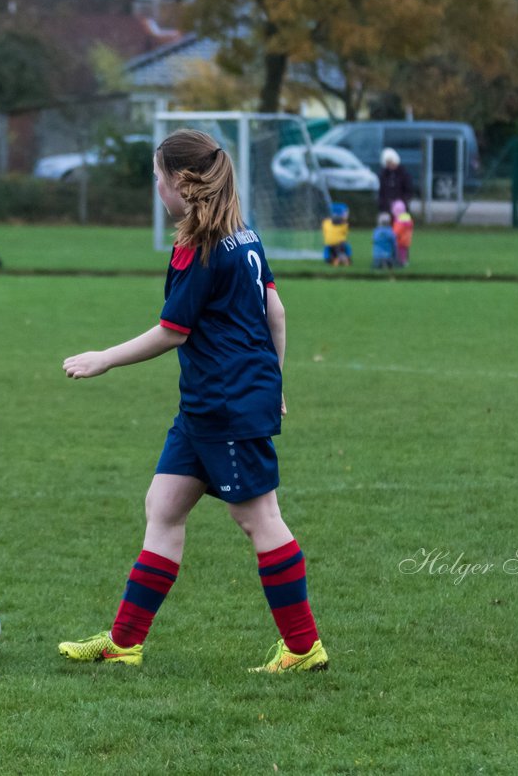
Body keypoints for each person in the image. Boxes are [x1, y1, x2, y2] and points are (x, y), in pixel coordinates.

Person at [58, 128, 328, 673]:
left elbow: (173, 331)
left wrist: (104, 357)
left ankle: (303, 648)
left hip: (224, 404)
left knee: (260, 520)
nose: (156, 191)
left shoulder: (198, 247)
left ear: (182, 182)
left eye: (158, 180)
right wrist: (273, 384)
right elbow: (276, 314)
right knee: (163, 507)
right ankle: (124, 641)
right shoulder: (243, 236)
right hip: (212, 405)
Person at [377, 147, 413, 217]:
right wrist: (384, 203)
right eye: (388, 163)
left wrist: (402, 202)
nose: (390, 165)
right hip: (385, 208)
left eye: (391, 162)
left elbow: (408, 190)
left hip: (401, 207)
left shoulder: (403, 174)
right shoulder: (382, 175)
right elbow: (380, 192)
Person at [321, 202, 352, 266]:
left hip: (328, 243)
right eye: (345, 212)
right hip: (340, 243)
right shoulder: (344, 223)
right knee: (347, 246)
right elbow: (344, 233)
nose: (347, 214)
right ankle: (348, 257)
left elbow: (325, 232)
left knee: (326, 247)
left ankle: (328, 258)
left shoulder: (326, 222)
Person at [392, 200, 414, 267]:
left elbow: (397, 231)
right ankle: (405, 261)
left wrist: (393, 234)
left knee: (400, 252)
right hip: (406, 239)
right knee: (404, 251)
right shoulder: (407, 218)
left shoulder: (399, 220)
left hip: (400, 239)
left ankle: (402, 262)